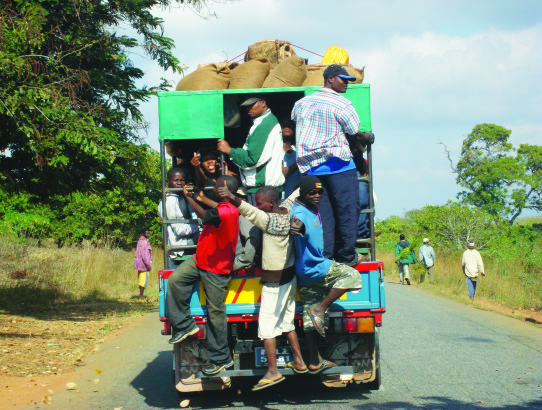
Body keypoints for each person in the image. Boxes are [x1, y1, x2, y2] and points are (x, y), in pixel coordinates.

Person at [218, 184, 307, 390]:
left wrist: (231, 196)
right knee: (287, 320)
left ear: (271, 203)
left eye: (259, 203)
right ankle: (299, 360)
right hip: (289, 277)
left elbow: (247, 210)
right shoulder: (287, 210)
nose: (257, 206)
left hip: (274, 281)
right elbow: (294, 194)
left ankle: (273, 371)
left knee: (267, 325)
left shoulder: (268, 221)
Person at [291, 65, 375, 266]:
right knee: (347, 212)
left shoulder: (301, 103)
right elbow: (354, 131)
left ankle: (325, 256)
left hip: (312, 170)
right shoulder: (342, 103)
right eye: (343, 79)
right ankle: (346, 258)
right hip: (339, 167)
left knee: (323, 216)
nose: (346, 83)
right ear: (330, 79)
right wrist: (368, 137)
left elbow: (296, 121)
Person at [166, 175, 240, 376]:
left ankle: (221, 358)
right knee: (175, 281)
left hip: (216, 269)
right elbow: (211, 205)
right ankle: (184, 325)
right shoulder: (225, 208)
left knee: (216, 313)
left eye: (215, 186)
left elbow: (205, 214)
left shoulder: (226, 212)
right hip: (201, 260)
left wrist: (188, 197)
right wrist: (197, 193)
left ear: (224, 191)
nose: (213, 188)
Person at [290, 175, 362, 374]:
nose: (317, 195)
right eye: (312, 192)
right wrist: (299, 228)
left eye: (320, 192)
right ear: (303, 193)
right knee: (353, 276)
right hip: (316, 268)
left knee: (309, 320)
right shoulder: (300, 213)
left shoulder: (310, 208)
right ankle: (321, 309)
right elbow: (299, 226)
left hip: (305, 273)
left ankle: (314, 360)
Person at [217, 97, 285, 205]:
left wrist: (229, 151)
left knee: (261, 221)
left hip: (263, 190)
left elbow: (252, 159)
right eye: (246, 107)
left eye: (251, 105)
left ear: (263, 103)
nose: (248, 109)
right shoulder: (265, 121)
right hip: (266, 189)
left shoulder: (265, 124)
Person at [157, 168, 200, 270]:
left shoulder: (179, 197)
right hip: (179, 245)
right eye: (176, 180)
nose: (180, 183)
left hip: (182, 240)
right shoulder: (170, 201)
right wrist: (198, 226)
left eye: (182, 180)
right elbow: (179, 230)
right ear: (167, 182)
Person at [233, 187, 262, 272]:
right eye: (237, 196)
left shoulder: (246, 217)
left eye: (243, 197)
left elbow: (252, 240)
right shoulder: (235, 215)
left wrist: (243, 262)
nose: (241, 199)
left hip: (241, 265)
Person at [280, 118, 301, 198]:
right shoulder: (275, 150)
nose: (286, 127)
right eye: (283, 125)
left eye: (289, 125)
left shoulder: (299, 150)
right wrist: (301, 161)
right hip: (283, 197)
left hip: (299, 196)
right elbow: (282, 173)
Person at [133, 229, 152, 301]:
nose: (148, 235)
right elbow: (144, 255)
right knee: (143, 280)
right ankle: (141, 296)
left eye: (148, 233)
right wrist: (147, 264)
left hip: (140, 264)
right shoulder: (144, 242)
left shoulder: (141, 241)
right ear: (143, 234)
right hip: (143, 264)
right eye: (146, 233)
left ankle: (141, 295)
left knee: (142, 279)